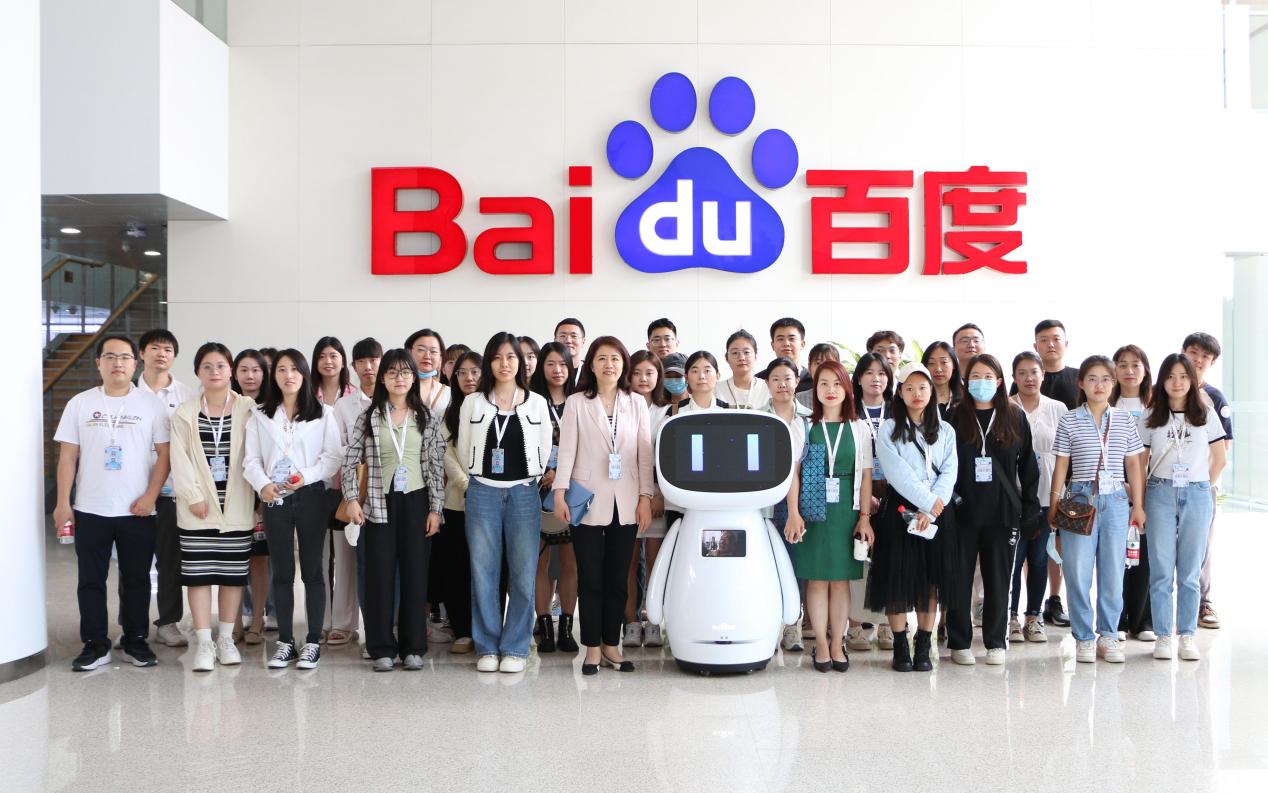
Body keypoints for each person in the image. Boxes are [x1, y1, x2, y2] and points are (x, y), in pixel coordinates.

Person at [55, 335, 171, 671]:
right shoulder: (79, 403)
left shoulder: (151, 405)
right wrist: (63, 503)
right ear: (98, 363)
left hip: (138, 510)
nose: (117, 363)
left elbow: (165, 456)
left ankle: (135, 641)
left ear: (135, 363)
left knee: (136, 579)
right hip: (90, 508)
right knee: (90, 580)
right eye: (109, 357)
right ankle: (95, 644)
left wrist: (150, 496)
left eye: (124, 357)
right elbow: (68, 456)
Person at [553, 337, 654, 675]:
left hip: (626, 501)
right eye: (602, 358)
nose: (609, 364)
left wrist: (645, 497)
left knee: (618, 577)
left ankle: (612, 644)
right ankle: (592, 648)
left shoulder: (636, 403)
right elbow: (567, 451)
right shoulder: (577, 402)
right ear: (591, 365)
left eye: (615, 358)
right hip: (586, 500)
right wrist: (559, 493)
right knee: (590, 577)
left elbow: (644, 455)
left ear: (623, 364)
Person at [341, 350, 446, 671]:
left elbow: (435, 465)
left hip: (416, 502)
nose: (399, 378)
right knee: (379, 578)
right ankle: (381, 648)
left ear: (414, 378)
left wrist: (436, 509)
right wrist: (351, 499)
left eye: (405, 372)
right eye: (392, 372)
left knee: (415, 577)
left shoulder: (426, 416)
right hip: (378, 504)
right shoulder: (369, 417)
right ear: (382, 378)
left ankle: (413, 647)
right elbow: (349, 460)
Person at [457, 332, 554, 673]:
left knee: (524, 572)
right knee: (483, 572)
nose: (504, 363)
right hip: (482, 491)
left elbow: (544, 447)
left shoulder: (536, 402)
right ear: (489, 362)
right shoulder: (473, 402)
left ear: (521, 362)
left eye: (511, 357)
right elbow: (463, 447)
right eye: (497, 357)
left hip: (524, 493)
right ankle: (487, 646)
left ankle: (515, 647)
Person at [244, 349, 342, 670]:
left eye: (294, 369)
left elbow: (332, 458)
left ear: (304, 374)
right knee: (283, 572)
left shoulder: (323, 413)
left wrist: (305, 477)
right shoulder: (260, 415)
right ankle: (285, 642)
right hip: (275, 497)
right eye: (282, 370)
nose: (288, 375)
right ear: (274, 376)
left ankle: (312, 641)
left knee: (313, 571)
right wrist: (263, 484)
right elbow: (251, 460)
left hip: (311, 494)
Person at [1049, 355, 1147, 664]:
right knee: (1077, 570)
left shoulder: (1124, 420)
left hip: (1116, 498)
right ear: (1081, 383)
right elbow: (1061, 464)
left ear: (1113, 383)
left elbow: (1134, 464)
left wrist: (1138, 505)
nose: (1099, 385)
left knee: (1113, 570)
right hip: (1079, 498)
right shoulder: (1069, 419)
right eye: (1092, 378)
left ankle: (1108, 635)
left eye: (1105, 379)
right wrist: (1054, 503)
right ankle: (1083, 637)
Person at [169, 342, 257, 672]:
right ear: (197, 372)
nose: (214, 371)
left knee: (233, 578)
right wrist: (193, 496)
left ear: (230, 370)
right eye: (207, 366)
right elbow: (179, 458)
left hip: (237, 508)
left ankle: (226, 639)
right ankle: (204, 643)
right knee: (199, 577)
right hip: (197, 510)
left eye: (220, 365)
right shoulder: (185, 412)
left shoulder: (249, 408)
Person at [948, 354, 1040, 666]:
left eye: (988, 377)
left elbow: (1028, 466)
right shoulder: (954, 417)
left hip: (1002, 513)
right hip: (962, 512)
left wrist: (1030, 507)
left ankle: (996, 642)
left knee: (999, 579)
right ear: (966, 382)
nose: (982, 382)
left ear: (999, 381)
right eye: (976, 377)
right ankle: (959, 641)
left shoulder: (1014, 416)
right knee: (959, 579)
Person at [866, 362, 958, 673]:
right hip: (901, 510)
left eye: (922, 387)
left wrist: (931, 509)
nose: (916, 393)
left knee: (930, 581)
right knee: (897, 578)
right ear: (900, 393)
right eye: (909, 388)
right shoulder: (889, 430)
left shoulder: (946, 430)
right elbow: (897, 473)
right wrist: (927, 503)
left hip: (936, 513)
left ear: (931, 391)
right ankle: (900, 645)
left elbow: (949, 471)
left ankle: (924, 644)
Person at [783, 361, 874, 673]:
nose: (830, 390)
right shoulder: (804, 426)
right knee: (817, 579)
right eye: (824, 383)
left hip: (846, 512)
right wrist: (793, 513)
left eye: (837, 383)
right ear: (815, 390)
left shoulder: (859, 429)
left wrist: (864, 517)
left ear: (847, 388)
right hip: (812, 510)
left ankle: (838, 643)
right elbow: (793, 474)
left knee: (840, 581)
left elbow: (866, 475)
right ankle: (821, 643)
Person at [1142, 353, 1226, 661]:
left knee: (1190, 571)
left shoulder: (1205, 413)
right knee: (1161, 570)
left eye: (1183, 376)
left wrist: (1201, 485)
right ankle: (1164, 636)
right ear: (1162, 381)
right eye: (1170, 376)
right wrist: (1140, 500)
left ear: (1192, 380)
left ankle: (1187, 635)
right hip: (1160, 492)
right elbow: (1140, 462)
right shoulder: (1151, 415)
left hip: (1197, 492)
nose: (1177, 382)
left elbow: (1220, 458)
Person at [136, 328, 196, 649]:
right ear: (141, 353)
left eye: (168, 349)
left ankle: (168, 623)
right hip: (132, 492)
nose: (161, 354)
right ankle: (132, 625)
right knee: (133, 562)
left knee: (170, 561)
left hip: (172, 492)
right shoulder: (128, 393)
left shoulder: (186, 395)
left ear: (174, 356)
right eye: (155, 348)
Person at [1008, 352, 1067, 644]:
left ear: (1043, 374)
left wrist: (1059, 498)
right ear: (1013, 377)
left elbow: (1066, 456)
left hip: (1047, 496)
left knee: (1040, 558)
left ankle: (1034, 618)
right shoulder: (1005, 408)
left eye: (1034, 372)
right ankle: (1011, 618)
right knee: (1014, 560)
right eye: (1022, 373)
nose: (1029, 378)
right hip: (1013, 498)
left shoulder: (1058, 409)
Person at [332, 338, 382, 656]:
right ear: (352, 367)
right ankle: (350, 625)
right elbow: (337, 446)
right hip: (353, 490)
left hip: (387, 492)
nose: (368, 367)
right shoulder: (344, 406)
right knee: (352, 561)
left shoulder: (395, 398)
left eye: (373, 360)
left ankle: (382, 628)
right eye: (361, 361)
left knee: (382, 563)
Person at [760, 356, 813, 652]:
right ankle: (768, 625)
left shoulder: (809, 419)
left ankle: (793, 625)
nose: (782, 384)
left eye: (788, 378)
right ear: (767, 384)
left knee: (796, 566)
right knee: (767, 567)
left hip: (801, 504)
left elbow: (800, 466)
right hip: (765, 506)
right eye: (776, 379)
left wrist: (795, 511)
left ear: (797, 381)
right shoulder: (757, 418)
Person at [530, 341, 580, 653]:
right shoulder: (531, 401)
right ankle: (545, 627)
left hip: (572, 490)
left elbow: (589, 446)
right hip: (536, 490)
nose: (557, 370)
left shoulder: (580, 400)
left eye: (562, 364)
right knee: (540, 561)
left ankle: (567, 629)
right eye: (550, 364)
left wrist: (561, 473)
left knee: (570, 562)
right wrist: (542, 472)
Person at [1181, 331, 1232, 630]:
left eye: (1205, 357)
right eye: (1194, 353)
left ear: (1211, 362)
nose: (1198, 360)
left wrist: (1203, 485)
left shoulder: (1215, 398)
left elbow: (1223, 449)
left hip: (1201, 486)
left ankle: (1203, 602)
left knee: (1200, 546)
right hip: (1162, 486)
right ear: (1183, 352)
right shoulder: (1161, 392)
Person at [845, 353, 895, 652]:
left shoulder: (898, 410)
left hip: (894, 493)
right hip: (858, 492)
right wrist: (865, 497)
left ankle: (889, 625)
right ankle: (854, 627)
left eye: (882, 373)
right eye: (869, 372)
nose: (876, 378)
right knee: (857, 559)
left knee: (891, 560)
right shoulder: (849, 411)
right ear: (859, 378)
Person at [312, 336, 358, 647]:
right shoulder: (306, 396)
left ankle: (343, 622)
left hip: (347, 487)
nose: (329, 361)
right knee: (317, 557)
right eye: (323, 356)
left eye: (334, 355)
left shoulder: (354, 397)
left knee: (345, 557)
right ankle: (320, 619)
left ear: (343, 361)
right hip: (315, 486)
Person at [624, 350, 671, 647]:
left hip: (657, 497)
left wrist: (661, 496)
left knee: (655, 562)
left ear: (658, 377)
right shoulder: (620, 408)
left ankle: (653, 621)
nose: (643, 378)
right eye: (637, 373)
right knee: (627, 563)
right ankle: (630, 622)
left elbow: (673, 460)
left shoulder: (669, 413)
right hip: (626, 495)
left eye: (649, 373)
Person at [1110, 344, 1155, 642]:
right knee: (1115, 555)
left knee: (1146, 555)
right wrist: (1121, 484)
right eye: (1123, 364)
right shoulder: (1106, 403)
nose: (1129, 371)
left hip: (1151, 488)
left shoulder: (1156, 406)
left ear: (1145, 370)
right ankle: (1119, 619)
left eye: (1135, 365)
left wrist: (1141, 488)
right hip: (1113, 487)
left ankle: (1144, 620)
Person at [441, 350, 483, 654]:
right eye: (462, 372)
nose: (469, 378)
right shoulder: (450, 413)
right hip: (457, 502)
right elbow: (445, 455)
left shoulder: (494, 408)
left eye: (475, 371)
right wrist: (468, 485)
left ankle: (487, 629)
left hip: (492, 501)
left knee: (487, 568)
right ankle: (463, 630)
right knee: (457, 567)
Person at [231, 348, 272, 644]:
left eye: (256, 370)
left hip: (262, 493)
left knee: (259, 560)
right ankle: (232, 623)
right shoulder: (226, 405)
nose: (250, 376)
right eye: (244, 370)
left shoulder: (272, 408)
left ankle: (257, 620)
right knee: (232, 560)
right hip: (231, 494)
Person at [1030, 319, 1080, 409]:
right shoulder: (1026, 379)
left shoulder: (1081, 377)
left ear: (1066, 344)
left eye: (1056, 339)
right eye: (1044, 340)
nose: (1050, 345)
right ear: (1035, 347)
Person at [405, 328, 452, 420]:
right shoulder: (399, 388)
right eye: (421, 350)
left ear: (440, 357)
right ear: (409, 352)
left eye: (433, 351)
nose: (427, 356)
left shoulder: (448, 394)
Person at [756, 317, 812, 393]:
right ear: (772, 345)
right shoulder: (759, 381)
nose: (786, 343)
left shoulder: (814, 380)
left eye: (792, 339)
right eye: (780, 339)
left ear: (802, 344)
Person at [719, 329, 771, 410]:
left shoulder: (768, 388)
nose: (741, 358)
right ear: (726, 358)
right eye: (735, 353)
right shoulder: (717, 389)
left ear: (755, 356)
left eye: (746, 352)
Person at [922, 341, 960, 421]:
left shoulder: (965, 400)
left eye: (944, 362)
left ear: (954, 365)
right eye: (931, 363)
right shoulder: (919, 400)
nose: (938, 369)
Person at [797, 343, 840, 409]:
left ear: (839, 367)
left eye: (829, 362)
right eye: (818, 363)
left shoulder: (849, 398)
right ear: (809, 367)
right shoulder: (798, 400)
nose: (823, 367)